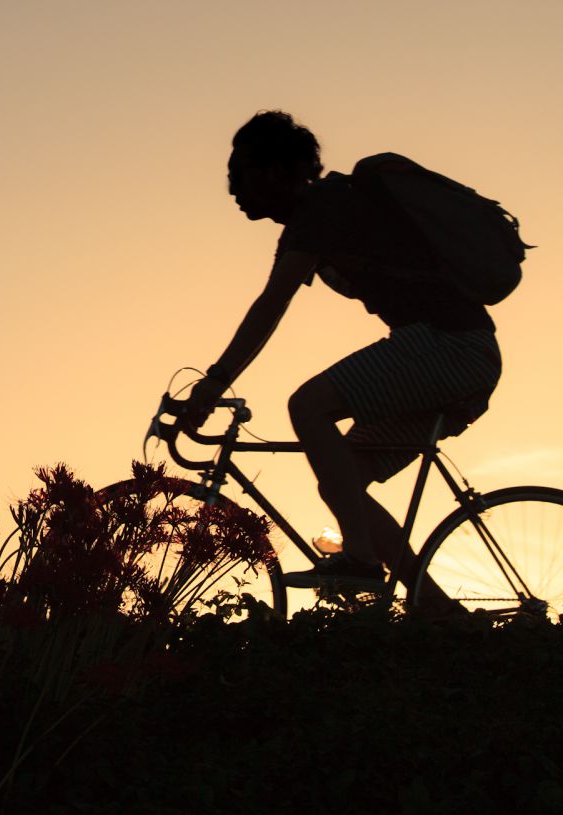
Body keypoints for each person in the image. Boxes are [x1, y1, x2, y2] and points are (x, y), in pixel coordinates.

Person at [183, 110, 501, 613]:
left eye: (238, 173)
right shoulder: (316, 217)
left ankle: (359, 559)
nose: (231, 190)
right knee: (342, 479)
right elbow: (272, 303)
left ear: (273, 171)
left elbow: (272, 304)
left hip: (452, 346)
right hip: (459, 353)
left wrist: (214, 382)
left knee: (308, 406)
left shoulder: (322, 208)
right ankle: (440, 613)